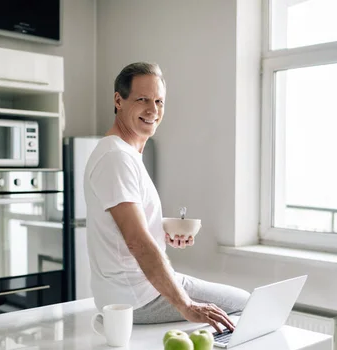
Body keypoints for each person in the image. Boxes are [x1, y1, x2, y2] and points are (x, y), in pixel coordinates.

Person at [83, 62, 249, 333]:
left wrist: (162, 234)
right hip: (137, 297)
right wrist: (186, 305)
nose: (153, 110)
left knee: (238, 304)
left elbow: (128, 232)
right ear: (118, 100)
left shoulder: (126, 154)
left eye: (159, 101)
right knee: (246, 305)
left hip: (134, 290)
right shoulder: (116, 157)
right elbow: (136, 242)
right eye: (142, 100)